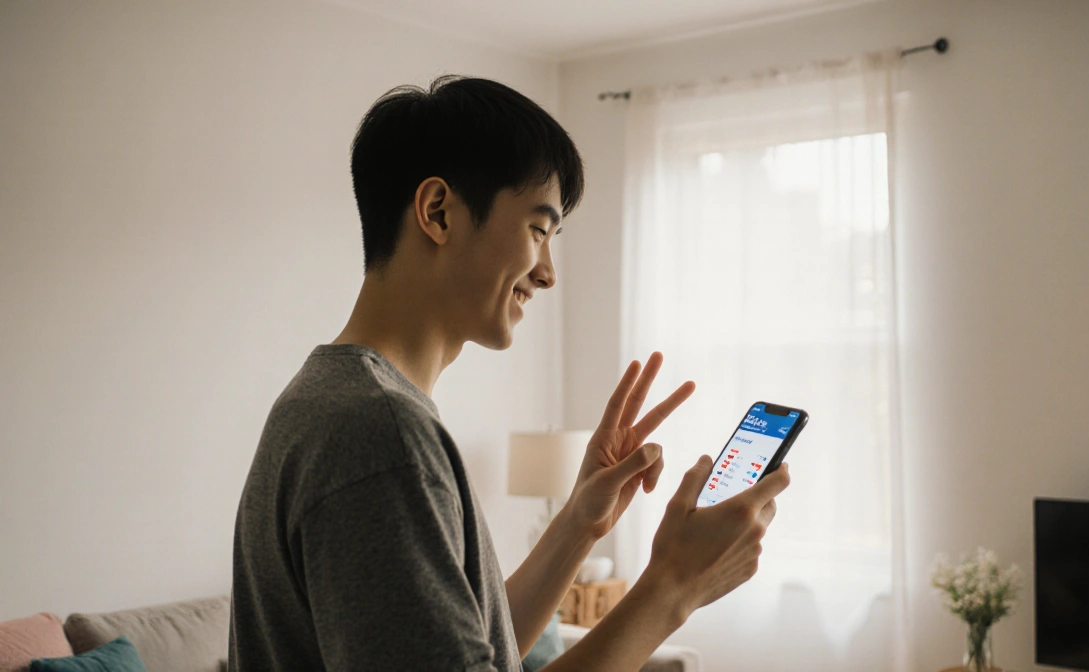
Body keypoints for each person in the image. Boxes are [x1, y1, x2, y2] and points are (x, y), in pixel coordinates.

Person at [228, 75, 790, 672]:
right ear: (438, 212)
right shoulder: (378, 432)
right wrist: (671, 589)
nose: (547, 273)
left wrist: (580, 521)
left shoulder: (336, 399)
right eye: (537, 230)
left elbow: (476, 649)